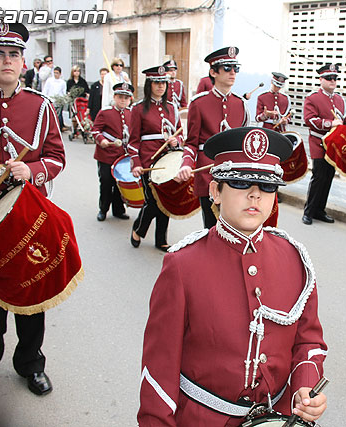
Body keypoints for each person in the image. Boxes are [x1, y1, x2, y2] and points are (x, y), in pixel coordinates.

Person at [138, 127, 327, 425]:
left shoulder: (295, 259)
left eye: (266, 186)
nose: (255, 194)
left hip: (277, 418)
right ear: (215, 191)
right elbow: (158, 368)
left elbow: (309, 340)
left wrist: (305, 385)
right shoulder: (182, 265)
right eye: (240, 182)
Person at [0, 22, 66, 396]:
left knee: (31, 295)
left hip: (27, 217)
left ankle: (30, 364)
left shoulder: (40, 105)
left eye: (14, 54)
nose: (7, 61)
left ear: (23, 60)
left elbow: (56, 158)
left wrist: (33, 170)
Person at [177, 47, 250, 229]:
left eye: (236, 69)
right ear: (213, 72)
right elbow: (191, 143)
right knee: (211, 227)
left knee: (233, 226)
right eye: (227, 68)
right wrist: (186, 163)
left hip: (234, 175)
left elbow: (243, 144)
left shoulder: (241, 104)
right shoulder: (198, 103)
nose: (232, 73)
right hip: (207, 174)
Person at [127, 65, 181, 252]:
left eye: (163, 83)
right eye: (157, 83)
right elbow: (132, 140)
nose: (160, 87)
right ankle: (139, 230)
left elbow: (180, 134)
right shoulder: (138, 108)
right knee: (152, 200)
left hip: (168, 160)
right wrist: (136, 163)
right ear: (149, 84)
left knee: (165, 200)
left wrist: (176, 141)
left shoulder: (172, 108)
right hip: (148, 161)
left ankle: (161, 239)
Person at [301, 63, 346, 225]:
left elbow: (344, 120)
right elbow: (310, 119)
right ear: (321, 79)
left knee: (329, 177)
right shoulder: (313, 98)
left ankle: (320, 210)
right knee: (319, 177)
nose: (332, 81)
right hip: (319, 142)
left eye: (335, 78)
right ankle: (309, 211)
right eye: (329, 78)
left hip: (334, 145)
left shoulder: (340, 100)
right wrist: (330, 123)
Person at [92, 82, 134, 221]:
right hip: (106, 155)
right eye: (120, 97)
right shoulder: (105, 112)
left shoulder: (131, 113)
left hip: (123, 156)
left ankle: (118, 210)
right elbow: (95, 130)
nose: (123, 100)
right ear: (115, 97)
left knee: (120, 184)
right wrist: (101, 140)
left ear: (130, 100)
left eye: (126, 98)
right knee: (106, 182)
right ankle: (103, 209)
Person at [42, 66, 67, 130]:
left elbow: (63, 92)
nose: (56, 74)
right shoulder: (49, 80)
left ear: (60, 74)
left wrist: (62, 100)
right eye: (54, 73)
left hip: (59, 101)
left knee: (59, 115)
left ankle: (59, 127)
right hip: (50, 100)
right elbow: (46, 89)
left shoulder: (62, 82)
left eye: (57, 73)